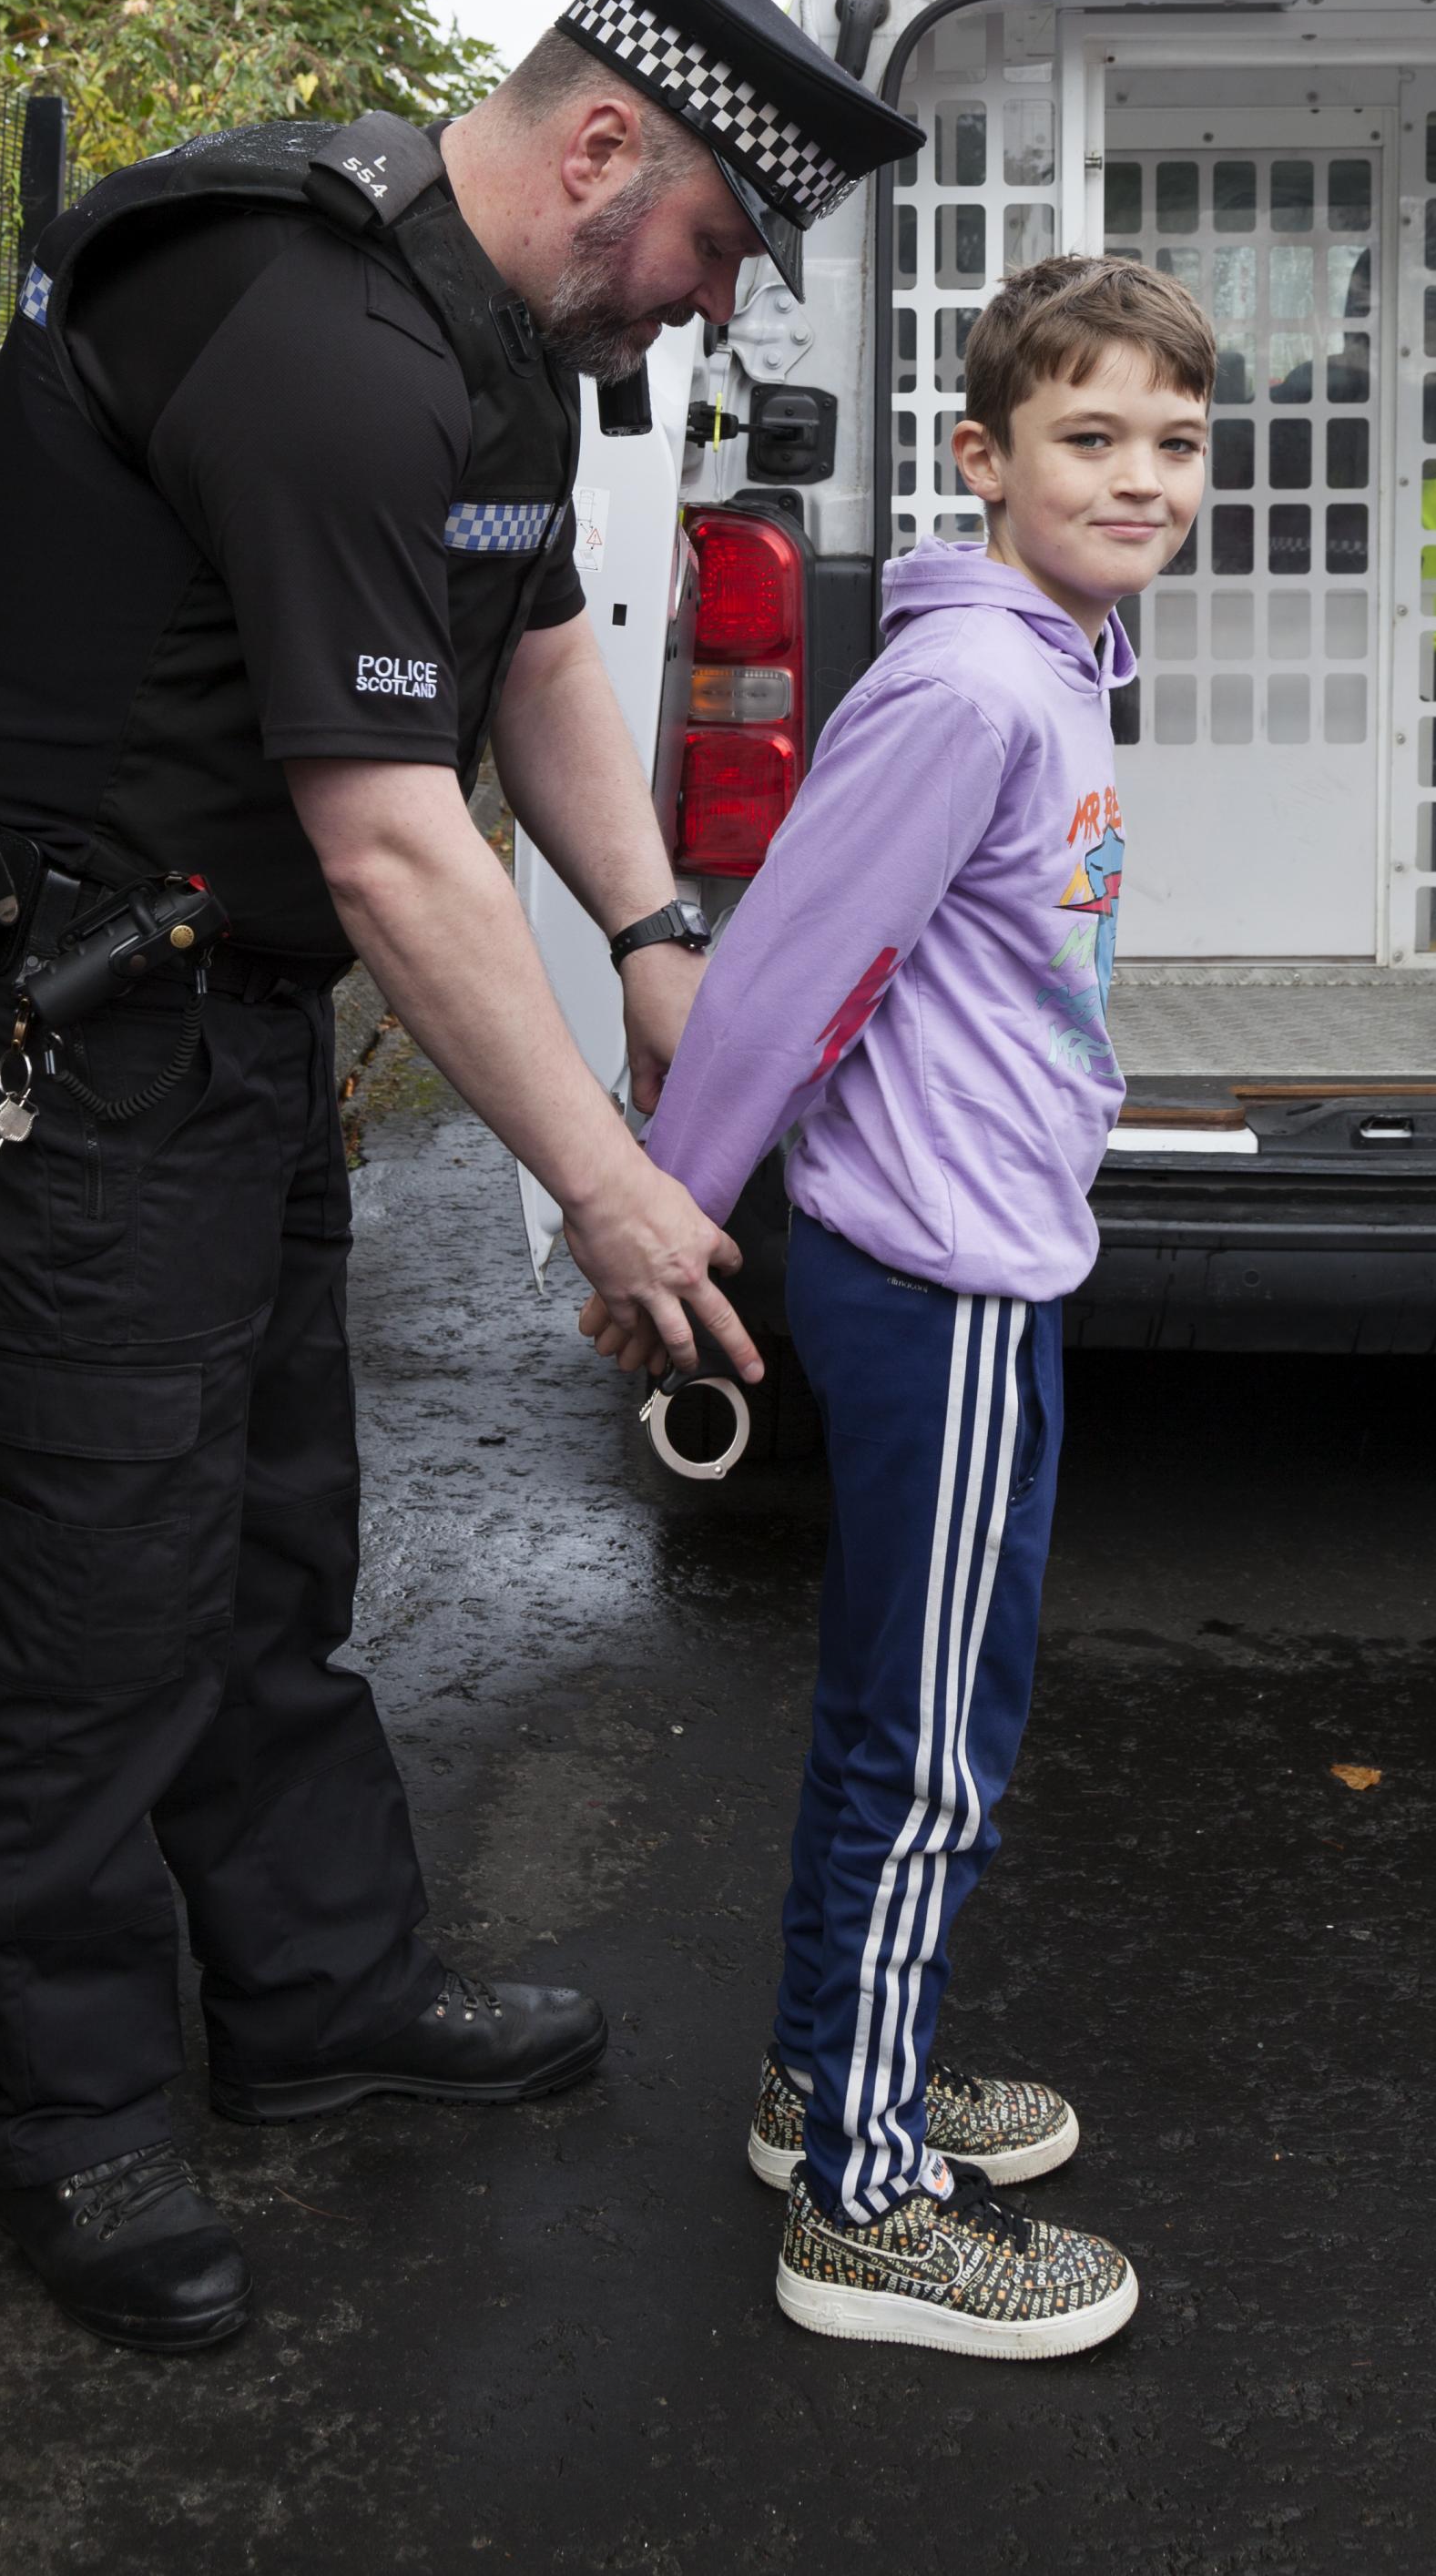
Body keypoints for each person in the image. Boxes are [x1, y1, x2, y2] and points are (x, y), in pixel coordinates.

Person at [0, 0, 922, 2354]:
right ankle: (70, 2112)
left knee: (266, 1529)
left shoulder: (499, 344)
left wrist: (654, 930)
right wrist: (615, 1193)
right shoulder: (310, 332)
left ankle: (314, 1994)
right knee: (99, 1584)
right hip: (54, 1027)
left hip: (211, 1023)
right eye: (715, 249)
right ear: (605, 142)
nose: (707, 309)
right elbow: (391, 842)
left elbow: (526, 642)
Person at [587, 254, 1215, 2359]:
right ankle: (862, 2200)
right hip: (935, 1278)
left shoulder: (1055, 662)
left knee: (896, 1710)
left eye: (1177, 444)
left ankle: (821, 2081)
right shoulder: (971, 691)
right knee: (934, 1746)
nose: (1142, 478)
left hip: (979, 1255)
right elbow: (780, 977)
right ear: (985, 457)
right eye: (1091, 438)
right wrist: (660, 1227)